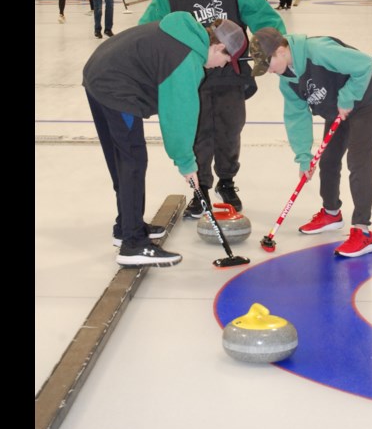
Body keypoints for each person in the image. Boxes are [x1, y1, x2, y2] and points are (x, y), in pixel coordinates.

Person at [138, 0, 286, 217]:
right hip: (192, 75)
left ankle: (227, 182)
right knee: (198, 131)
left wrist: (274, 44)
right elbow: (150, 25)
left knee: (231, 128)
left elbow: (261, 13)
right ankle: (201, 188)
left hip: (230, 71)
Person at [82, 14, 249, 267]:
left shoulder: (185, 34)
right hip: (115, 86)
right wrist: (186, 163)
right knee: (132, 161)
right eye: (226, 58)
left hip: (98, 74)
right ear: (217, 46)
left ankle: (127, 226)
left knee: (123, 158)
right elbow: (178, 116)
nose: (223, 65)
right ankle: (133, 244)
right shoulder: (187, 59)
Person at [248, 27, 372, 258]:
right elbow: (296, 116)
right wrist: (303, 157)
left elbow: (364, 65)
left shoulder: (318, 51)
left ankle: (363, 231)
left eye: (268, 64)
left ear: (281, 51)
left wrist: (349, 95)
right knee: (328, 161)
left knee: (358, 162)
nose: (269, 71)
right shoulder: (286, 80)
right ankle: (332, 213)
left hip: (362, 98)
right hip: (336, 107)